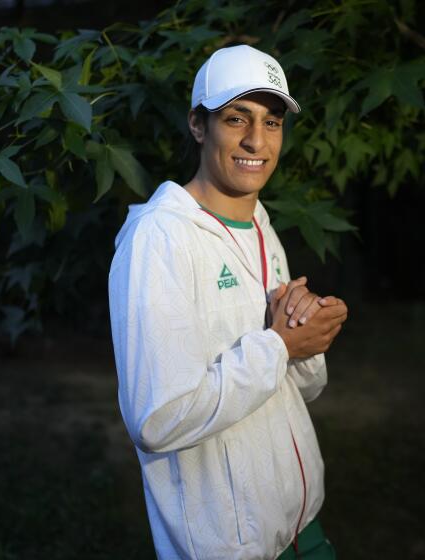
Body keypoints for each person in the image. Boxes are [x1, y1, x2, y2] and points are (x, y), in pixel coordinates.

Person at [108, 44, 348, 560]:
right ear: (198, 125)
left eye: (272, 122)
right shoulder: (159, 239)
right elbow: (157, 419)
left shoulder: (261, 226)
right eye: (236, 118)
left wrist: (307, 334)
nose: (256, 141)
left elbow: (299, 391)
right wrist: (279, 345)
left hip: (304, 529)